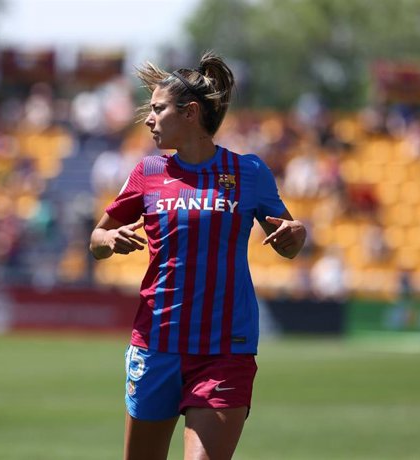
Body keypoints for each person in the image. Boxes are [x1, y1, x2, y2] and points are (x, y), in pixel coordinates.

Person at [89, 51, 306, 460]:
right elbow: (96, 238)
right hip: (156, 345)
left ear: (189, 113)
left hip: (225, 350)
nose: (149, 119)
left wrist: (297, 234)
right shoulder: (147, 172)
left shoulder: (249, 172)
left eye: (157, 109)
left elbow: (288, 241)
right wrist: (109, 239)